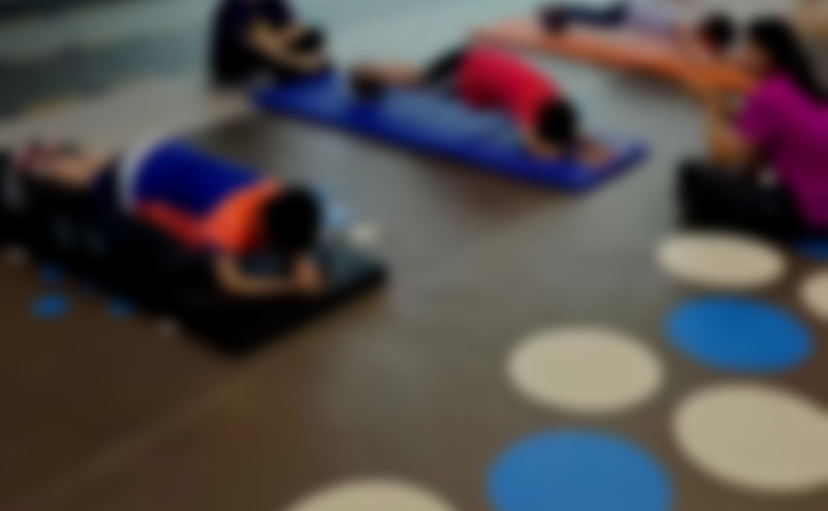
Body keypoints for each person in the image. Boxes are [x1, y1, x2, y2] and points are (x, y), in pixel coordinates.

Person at [12, 139, 325, 301]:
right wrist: (289, 286)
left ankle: (59, 152)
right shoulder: (227, 225)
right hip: (138, 178)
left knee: (110, 162)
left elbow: (292, 220)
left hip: (167, 151)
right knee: (88, 181)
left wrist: (301, 260)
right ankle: (33, 165)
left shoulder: (272, 188)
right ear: (268, 228)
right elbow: (232, 284)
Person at [679, 17, 828, 238]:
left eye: (746, 48)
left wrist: (711, 108)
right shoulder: (799, 86)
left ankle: (711, 238)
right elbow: (757, 144)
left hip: (813, 216)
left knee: (691, 174)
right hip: (817, 203)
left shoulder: (769, 95)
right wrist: (723, 109)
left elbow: (718, 157)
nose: (738, 55)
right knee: (737, 184)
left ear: (764, 55)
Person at [350, 44, 606, 163]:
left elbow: (569, 126)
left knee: (419, 76)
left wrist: (588, 144)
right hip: (463, 73)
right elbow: (533, 147)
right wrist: (569, 153)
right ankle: (365, 71)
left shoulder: (552, 96)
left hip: (477, 58)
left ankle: (369, 71)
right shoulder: (528, 104)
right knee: (418, 82)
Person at [540, 0, 737, 61]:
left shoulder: (696, 26)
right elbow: (686, 47)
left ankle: (560, 13)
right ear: (708, 34)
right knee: (598, 20)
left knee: (598, 18)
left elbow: (687, 44)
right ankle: (559, 9)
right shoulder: (686, 26)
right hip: (627, 11)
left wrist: (718, 54)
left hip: (632, 8)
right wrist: (707, 59)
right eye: (711, 43)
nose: (707, 47)